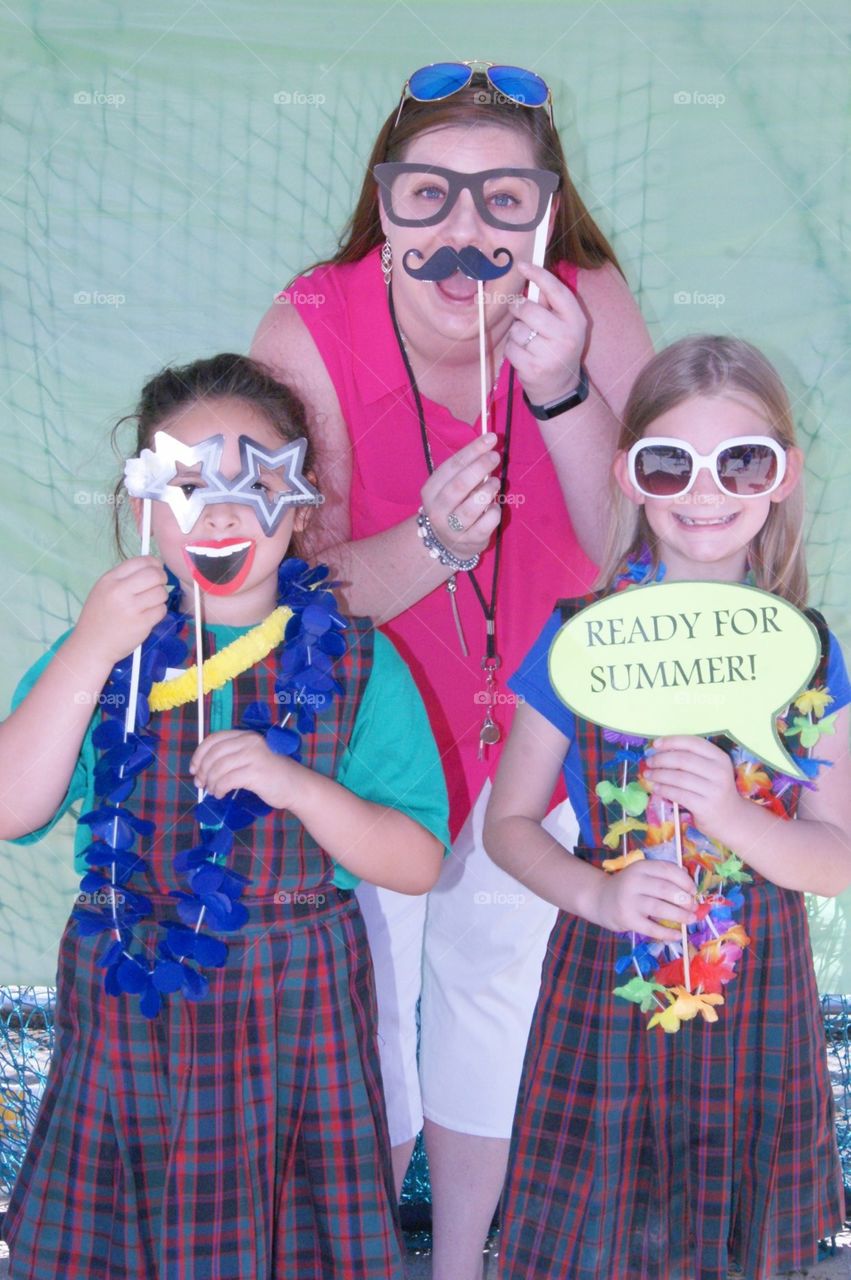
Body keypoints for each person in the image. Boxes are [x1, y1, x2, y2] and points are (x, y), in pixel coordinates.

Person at [251, 60, 653, 1276]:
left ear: (546, 206)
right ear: (385, 204)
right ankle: (348, 1251)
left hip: (537, 713)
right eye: (429, 195)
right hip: (369, 721)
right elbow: (286, 591)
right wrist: (432, 543)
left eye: (501, 197)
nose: (465, 229)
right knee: (363, 991)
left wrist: (559, 388)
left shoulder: (585, 304)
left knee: (495, 985)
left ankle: (461, 1261)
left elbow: (624, 546)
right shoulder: (308, 324)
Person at [0, 353, 449, 1280]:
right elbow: (13, 807)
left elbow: (414, 863)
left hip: (294, 1010)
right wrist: (88, 654)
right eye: (189, 483)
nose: (224, 513)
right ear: (140, 503)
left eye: (257, 482)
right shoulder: (104, 649)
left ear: (305, 500)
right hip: (130, 1002)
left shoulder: (362, 664)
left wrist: (303, 789)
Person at [484, 335, 851, 1280]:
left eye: (740, 461)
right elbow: (508, 826)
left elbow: (838, 856)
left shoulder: (811, 653)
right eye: (668, 462)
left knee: (741, 1247)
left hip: (757, 989)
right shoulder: (578, 642)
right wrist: (598, 898)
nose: (704, 490)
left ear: (780, 478)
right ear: (629, 475)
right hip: (606, 982)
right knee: (594, 1242)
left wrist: (736, 820)